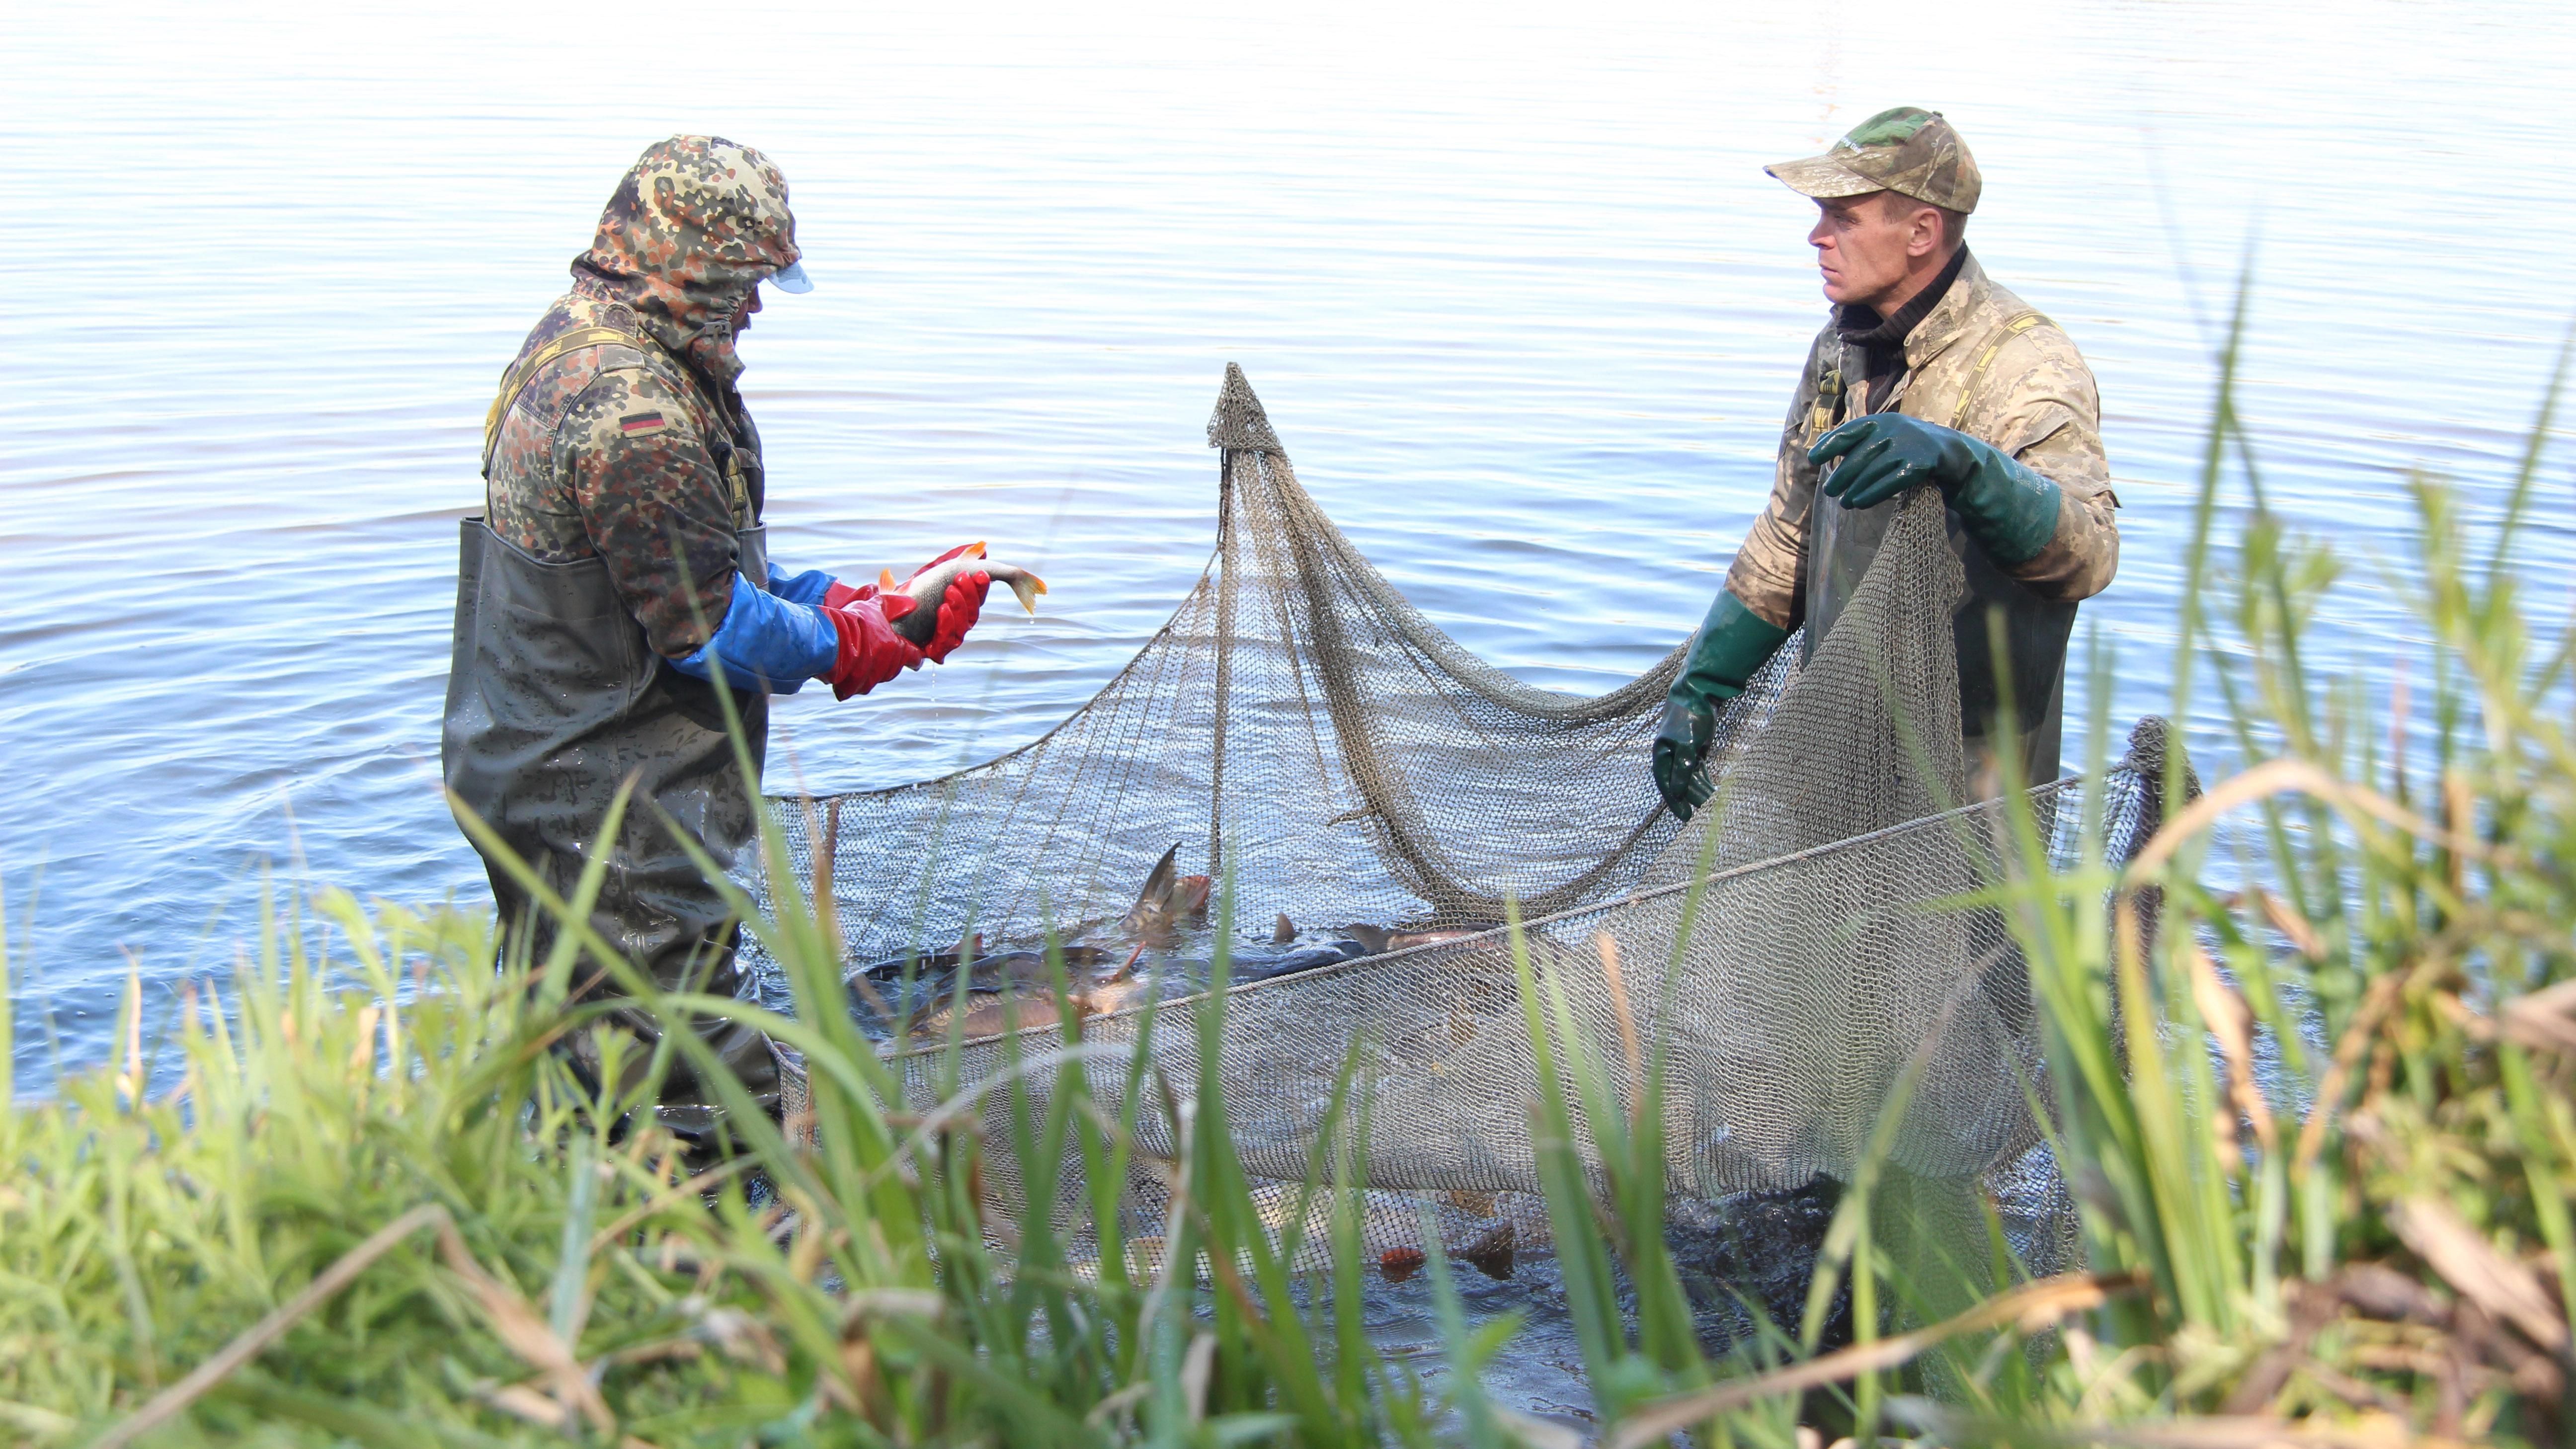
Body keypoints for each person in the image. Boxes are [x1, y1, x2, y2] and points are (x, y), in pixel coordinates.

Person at [442, 136, 987, 1149]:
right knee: (690, 1098)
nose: (756, 305)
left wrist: (857, 602)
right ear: (686, 261)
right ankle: (686, 1272)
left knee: (572, 1047)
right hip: (602, 806)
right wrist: (849, 644)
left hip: (549, 770)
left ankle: (547, 1234)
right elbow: (710, 631)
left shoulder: (597, 345)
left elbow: (684, 568)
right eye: (745, 280)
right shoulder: (630, 410)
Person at [1652, 107, 2120, 817]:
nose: (1818, 237)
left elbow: (2088, 557)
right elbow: (1790, 531)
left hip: (1971, 776)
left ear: (1922, 233)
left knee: (1968, 928)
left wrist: (1965, 465)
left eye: (1843, 216)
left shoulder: (2025, 364)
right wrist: (1705, 683)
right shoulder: (1841, 351)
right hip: (1835, 740)